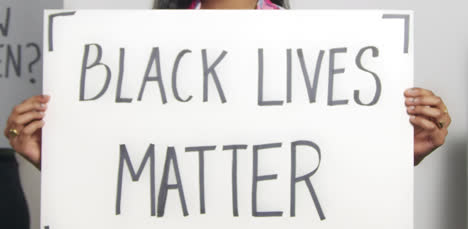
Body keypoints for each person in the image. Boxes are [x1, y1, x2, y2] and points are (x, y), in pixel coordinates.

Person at [3, 0, 451, 169]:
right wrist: (57, 165)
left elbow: (331, 176)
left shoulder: (325, 54)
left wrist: (404, 154)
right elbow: (135, 173)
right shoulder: (134, 54)